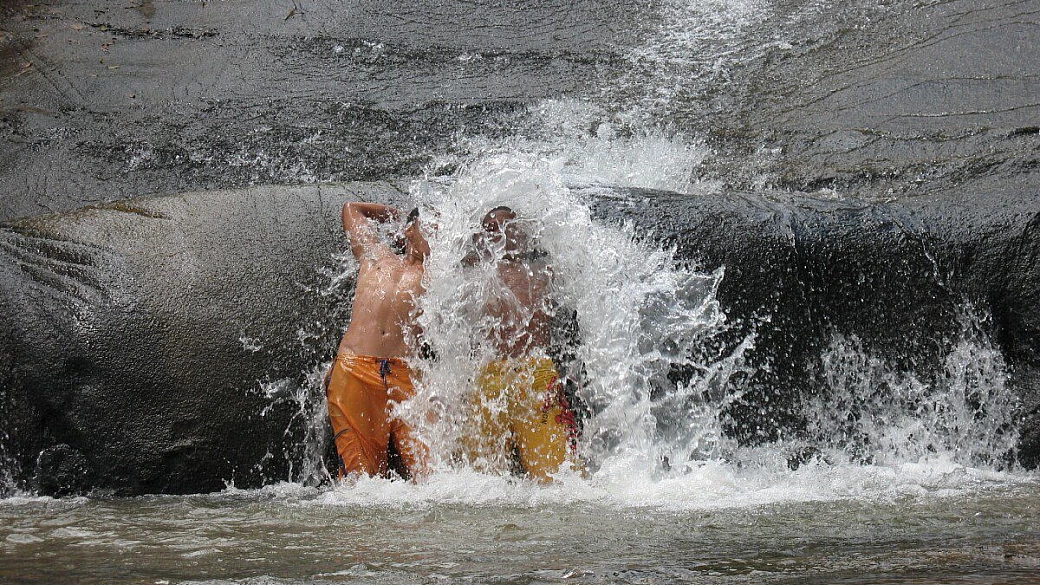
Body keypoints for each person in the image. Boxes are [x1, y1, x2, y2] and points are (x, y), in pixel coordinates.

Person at [461, 206, 581, 482]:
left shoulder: (544, 270)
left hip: (535, 371)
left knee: (560, 477)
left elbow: (580, 264)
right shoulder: (475, 273)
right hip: (490, 374)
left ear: (522, 234)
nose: (498, 234)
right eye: (490, 230)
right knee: (477, 480)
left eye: (505, 228)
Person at [325, 202, 431, 481]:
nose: (438, 232)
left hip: (407, 375)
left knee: (431, 475)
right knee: (360, 480)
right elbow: (351, 209)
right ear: (411, 230)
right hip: (354, 369)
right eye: (431, 224)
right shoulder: (375, 256)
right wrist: (396, 214)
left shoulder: (438, 273)